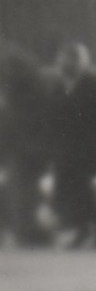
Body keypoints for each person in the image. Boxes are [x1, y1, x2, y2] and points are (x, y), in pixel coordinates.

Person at [48, 44, 96, 249]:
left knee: (86, 190)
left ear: (78, 62)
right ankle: (82, 228)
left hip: (92, 148)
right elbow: (52, 116)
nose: (62, 64)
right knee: (71, 190)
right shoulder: (59, 86)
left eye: (67, 60)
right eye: (60, 60)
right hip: (65, 148)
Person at [0, 50, 55, 247]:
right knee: (24, 184)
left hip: (19, 137)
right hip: (25, 137)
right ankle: (28, 229)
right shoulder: (19, 63)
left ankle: (27, 229)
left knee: (21, 183)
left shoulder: (12, 65)